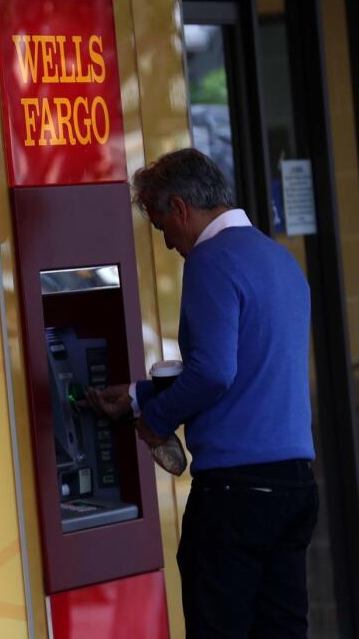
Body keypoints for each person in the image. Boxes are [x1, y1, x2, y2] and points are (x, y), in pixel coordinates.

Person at [86, 148, 318, 638]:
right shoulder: (279, 260)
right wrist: (135, 396)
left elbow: (213, 373)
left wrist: (156, 419)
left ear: (180, 208)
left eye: (161, 227)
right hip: (294, 485)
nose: (168, 244)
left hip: (235, 491)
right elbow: (250, 375)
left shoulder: (212, 261)